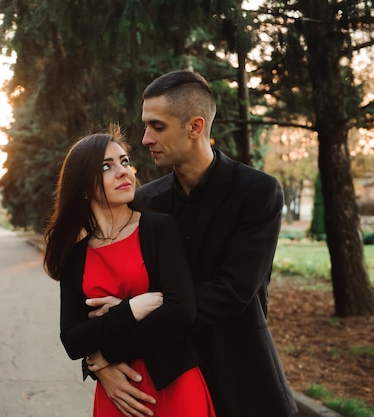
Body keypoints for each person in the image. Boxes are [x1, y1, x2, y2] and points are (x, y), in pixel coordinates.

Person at [87, 71, 299, 417]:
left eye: (157, 126)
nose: (144, 139)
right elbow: (104, 291)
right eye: (145, 126)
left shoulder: (257, 192)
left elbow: (232, 292)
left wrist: (130, 318)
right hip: (163, 383)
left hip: (242, 381)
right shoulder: (144, 202)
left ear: (195, 127)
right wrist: (98, 362)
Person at [43, 127, 216, 417]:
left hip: (174, 385)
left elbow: (180, 312)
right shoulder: (77, 256)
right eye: (106, 166)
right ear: (83, 186)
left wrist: (106, 352)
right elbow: (72, 340)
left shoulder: (159, 228)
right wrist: (132, 309)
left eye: (124, 162)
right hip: (117, 393)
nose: (123, 172)